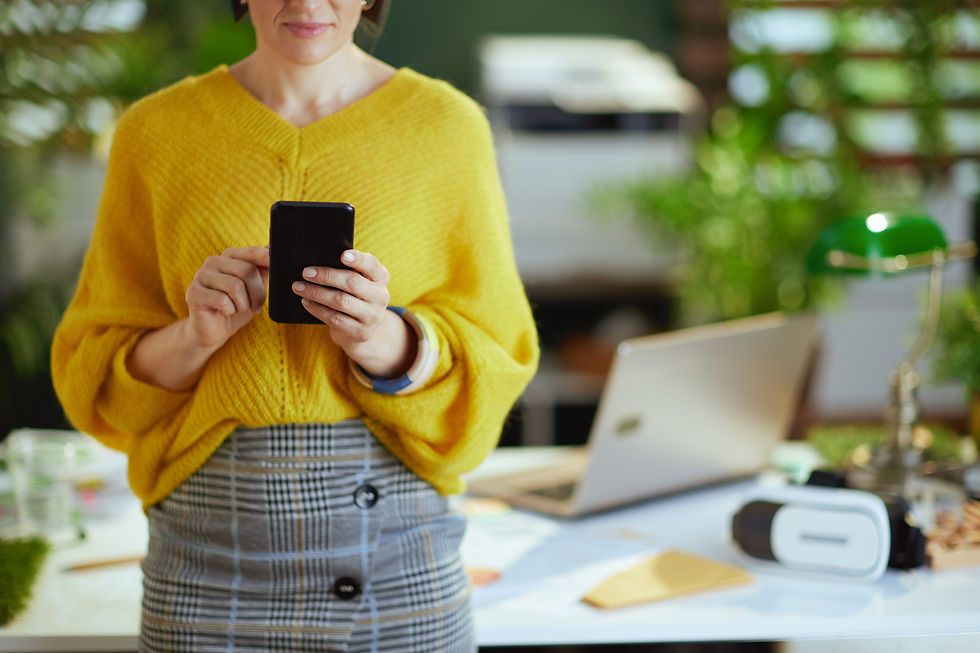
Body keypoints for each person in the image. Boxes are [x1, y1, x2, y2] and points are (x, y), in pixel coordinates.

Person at [50, 0, 539, 650]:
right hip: (204, 565)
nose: (308, 4)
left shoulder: (447, 127)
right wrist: (196, 334)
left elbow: (497, 354)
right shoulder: (155, 132)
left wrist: (381, 337)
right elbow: (95, 366)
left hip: (397, 559)